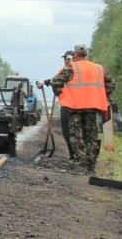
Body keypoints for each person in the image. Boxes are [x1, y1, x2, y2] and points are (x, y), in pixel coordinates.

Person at [39, 44, 115, 172]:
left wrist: (57, 89)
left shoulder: (71, 68)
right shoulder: (98, 68)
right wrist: (103, 94)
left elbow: (56, 81)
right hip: (93, 106)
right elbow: (111, 84)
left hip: (75, 107)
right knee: (91, 135)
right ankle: (91, 164)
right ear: (87, 54)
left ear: (75, 55)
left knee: (77, 135)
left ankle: (81, 163)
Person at [57, 50, 75, 159]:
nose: (67, 61)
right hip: (66, 104)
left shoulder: (77, 70)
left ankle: (77, 154)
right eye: (66, 59)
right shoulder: (62, 70)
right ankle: (72, 153)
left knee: (76, 130)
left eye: (69, 59)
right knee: (66, 131)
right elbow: (56, 81)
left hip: (77, 105)